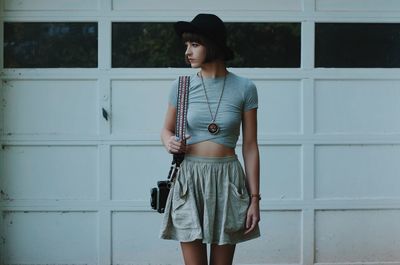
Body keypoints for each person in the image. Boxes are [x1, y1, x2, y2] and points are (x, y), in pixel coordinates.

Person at [159, 13, 261, 265]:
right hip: (189, 180)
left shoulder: (245, 88)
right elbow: (166, 130)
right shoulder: (181, 86)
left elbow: (250, 146)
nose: (188, 51)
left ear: (212, 45)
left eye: (195, 44)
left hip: (227, 179)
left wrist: (255, 200)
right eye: (186, 45)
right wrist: (169, 141)